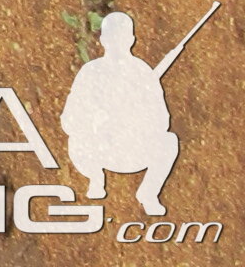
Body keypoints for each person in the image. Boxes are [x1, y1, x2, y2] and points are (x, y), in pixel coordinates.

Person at [63, 12, 187, 216]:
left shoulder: (142, 72)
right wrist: (96, 119)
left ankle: (148, 193)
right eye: (113, 38)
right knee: (76, 140)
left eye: (121, 38)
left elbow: (162, 121)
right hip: (98, 150)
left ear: (131, 40)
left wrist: (134, 118)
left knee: (168, 141)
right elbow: (69, 120)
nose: (117, 43)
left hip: (132, 151)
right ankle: (95, 178)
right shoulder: (90, 73)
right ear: (103, 40)